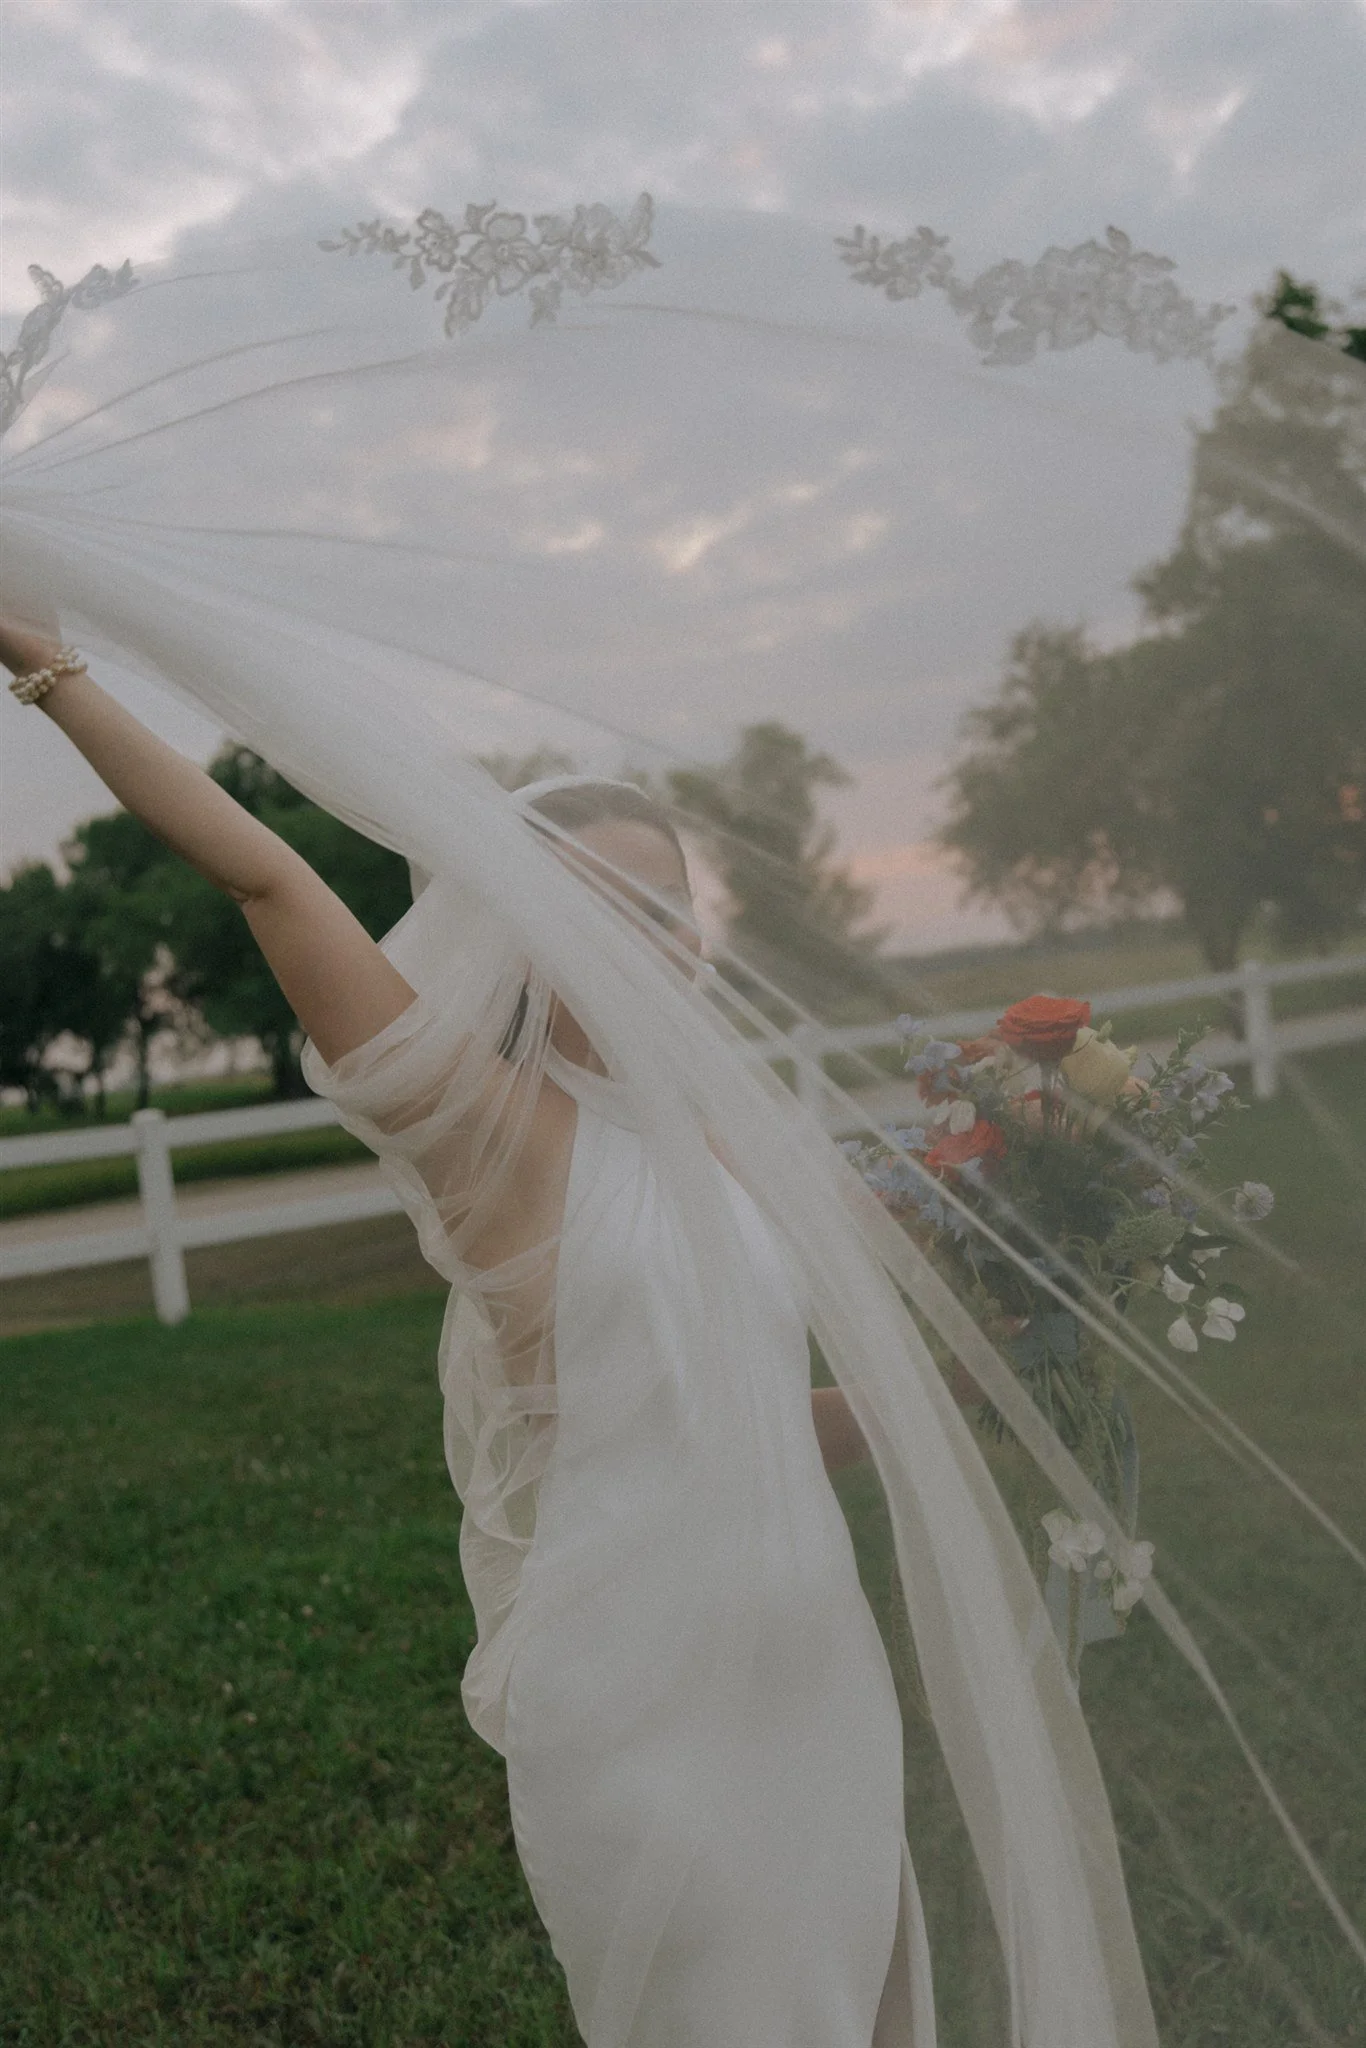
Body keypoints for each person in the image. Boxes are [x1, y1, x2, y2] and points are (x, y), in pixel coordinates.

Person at [0, 611, 933, 2042]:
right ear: (517, 934)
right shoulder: (491, 1141)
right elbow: (264, 875)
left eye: (664, 909)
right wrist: (51, 670)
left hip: (811, 1679)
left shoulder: (724, 1148)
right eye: (596, 908)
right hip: (644, 1707)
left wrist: (936, 1400)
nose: (647, 939)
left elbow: (744, 1427)